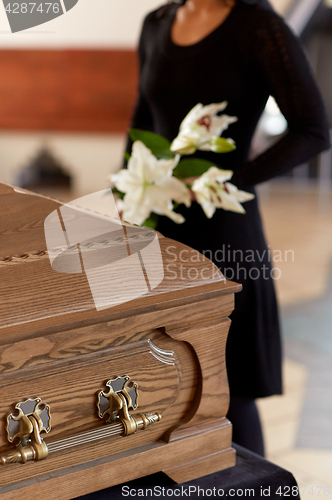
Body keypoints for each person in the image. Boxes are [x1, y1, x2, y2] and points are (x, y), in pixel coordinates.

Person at [125, 0, 331, 456]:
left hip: (226, 238)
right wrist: (124, 200)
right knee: (163, 384)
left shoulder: (258, 26)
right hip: (160, 233)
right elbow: (143, 122)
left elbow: (314, 130)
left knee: (228, 391)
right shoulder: (155, 23)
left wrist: (226, 184)